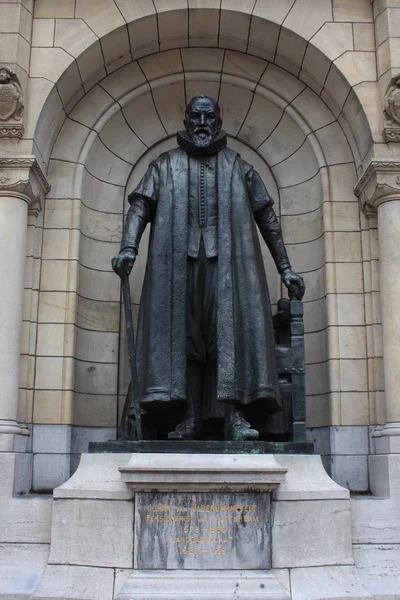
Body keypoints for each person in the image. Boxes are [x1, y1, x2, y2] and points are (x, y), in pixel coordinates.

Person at [112, 95, 305, 441]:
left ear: (218, 122)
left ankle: (234, 418)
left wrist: (285, 269)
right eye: (195, 117)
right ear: (186, 122)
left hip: (229, 267)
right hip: (176, 268)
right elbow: (140, 206)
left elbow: (268, 218)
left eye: (209, 117)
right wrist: (129, 247)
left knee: (227, 339)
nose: (202, 123)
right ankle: (188, 418)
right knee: (184, 342)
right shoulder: (164, 165)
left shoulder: (239, 166)